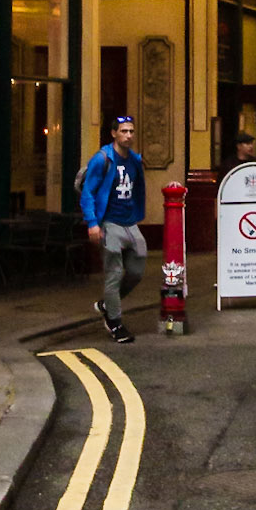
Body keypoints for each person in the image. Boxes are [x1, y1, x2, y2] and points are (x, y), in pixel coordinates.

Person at [79, 113, 147, 344]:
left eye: (131, 131)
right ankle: (115, 323)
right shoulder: (102, 159)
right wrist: (92, 223)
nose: (128, 135)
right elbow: (88, 192)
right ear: (113, 134)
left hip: (130, 222)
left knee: (137, 269)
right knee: (114, 273)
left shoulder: (135, 160)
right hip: (109, 222)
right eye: (124, 131)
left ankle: (107, 304)